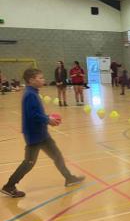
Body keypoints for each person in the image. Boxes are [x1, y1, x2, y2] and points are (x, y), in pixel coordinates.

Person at [1, 69, 85, 198]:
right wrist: (47, 120)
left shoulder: (33, 93)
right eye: (40, 78)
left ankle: (69, 178)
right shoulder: (30, 95)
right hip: (34, 135)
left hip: (41, 134)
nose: (43, 80)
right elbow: (32, 115)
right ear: (31, 80)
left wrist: (47, 117)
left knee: (57, 155)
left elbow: (36, 113)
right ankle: (9, 186)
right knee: (29, 163)